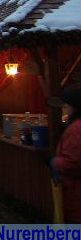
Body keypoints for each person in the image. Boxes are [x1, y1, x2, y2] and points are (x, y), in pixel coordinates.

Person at [49, 86, 81, 223]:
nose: (63, 108)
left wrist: (54, 162)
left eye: (66, 105)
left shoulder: (76, 129)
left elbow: (74, 161)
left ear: (74, 107)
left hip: (76, 196)